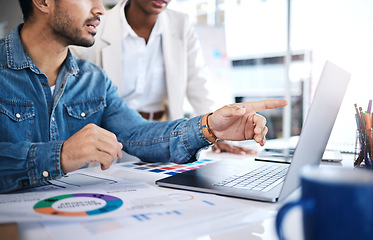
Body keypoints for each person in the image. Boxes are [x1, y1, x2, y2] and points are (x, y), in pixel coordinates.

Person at [0, 0, 287, 193]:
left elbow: (137, 133)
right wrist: (59, 155)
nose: (100, 9)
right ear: (43, 1)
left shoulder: (93, 79)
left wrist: (209, 127)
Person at [72, 0, 253, 155]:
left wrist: (215, 133)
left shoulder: (180, 24)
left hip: (162, 137)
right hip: (112, 139)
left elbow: (198, 83)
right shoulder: (97, 26)